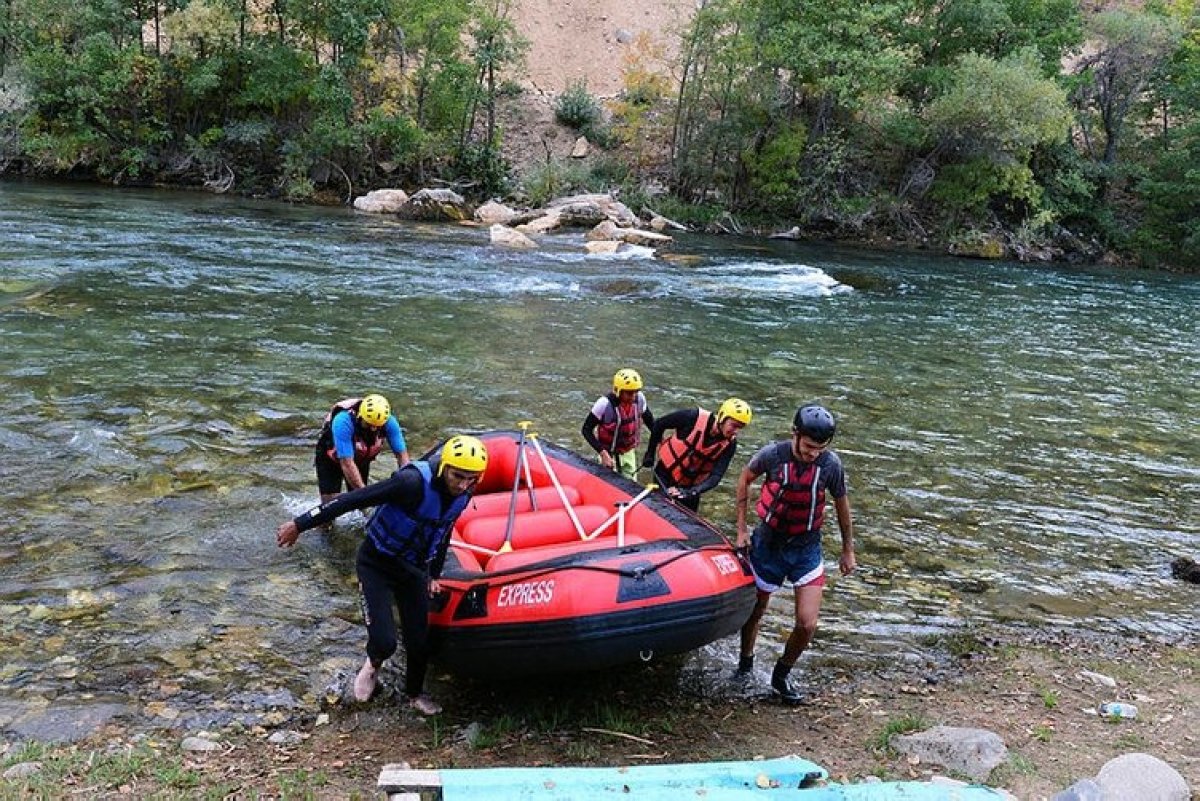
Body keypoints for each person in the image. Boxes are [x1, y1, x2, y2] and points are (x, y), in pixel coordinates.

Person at [277, 434, 488, 716]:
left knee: (419, 642)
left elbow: (443, 531)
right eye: (457, 476)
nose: (463, 485)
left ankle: (413, 693)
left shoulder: (464, 495)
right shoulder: (410, 484)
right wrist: (299, 524)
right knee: (385, 642)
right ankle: (372, 664)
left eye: (471, 479)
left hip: (413, 570)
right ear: (444, 467)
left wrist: (433, 575)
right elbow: (351, 500)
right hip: (376, 563)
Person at [734, 404, 856, 704]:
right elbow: (744, 479)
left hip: (807, 548)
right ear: (795, 434)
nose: (813, 453)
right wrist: (741, 529)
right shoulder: (772, 455)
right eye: (809, 446)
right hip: (768, 544)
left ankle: (781, 675)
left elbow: (842, 506)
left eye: (820, 448)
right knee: (756, 610)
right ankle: (745, 663)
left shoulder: (831, 466)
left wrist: (847, 549)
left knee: (807, 623)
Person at [642, 398, 752, 512]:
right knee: (660, 511)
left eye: (740, 428)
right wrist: (650, 453)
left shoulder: (730, 445)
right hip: (665, 475)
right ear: (722, 417)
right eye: (734, 425)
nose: (736, 431)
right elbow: (660, 424)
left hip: (690, 489)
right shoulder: (692, 417)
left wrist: (691, 492)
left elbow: (716, 477)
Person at [314, 394, 409, 504]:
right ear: (360, 417)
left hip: (360, 458)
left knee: (360, 503)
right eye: (369, 424)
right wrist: (365, 496)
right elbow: (347, 463)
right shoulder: (343, 421)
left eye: (377, 426)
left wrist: (406, 483)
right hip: (330, 458)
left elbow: (402, 456)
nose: (373, 429)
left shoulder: (389, 422)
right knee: (330, 503)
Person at [581, 369, 654, 480]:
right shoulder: (604, 404)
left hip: (628, 451)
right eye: (629, 393)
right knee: (608, 483)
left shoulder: (640, 399)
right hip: (608, 452)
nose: (633, 396)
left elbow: (651, 422)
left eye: (636, 391)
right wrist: (603, 454)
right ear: (618, 391)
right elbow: (586, 430)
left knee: (631, 484)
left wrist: (660, 442)